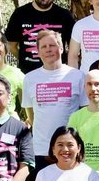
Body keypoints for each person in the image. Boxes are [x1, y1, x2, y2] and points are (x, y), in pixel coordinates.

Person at [21, 29, 86, 163]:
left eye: (52, 45)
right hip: (41, 150)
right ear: (38, 52)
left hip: (71, 149)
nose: (48, 49)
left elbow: (85, 111)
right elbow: (31, 114)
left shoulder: (78, 76)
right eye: (43, 47)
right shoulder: (30, 78)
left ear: (61, 48)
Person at [5, 0, 76, 73]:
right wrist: (25, 60)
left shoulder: (64, 15)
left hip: (58, 75)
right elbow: (11, 45)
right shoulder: (20, 14)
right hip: (28, 74)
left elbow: (73, 48)